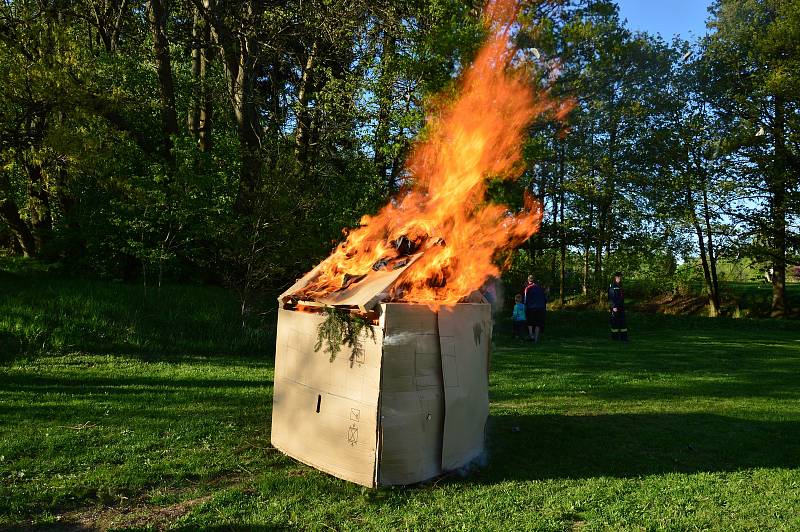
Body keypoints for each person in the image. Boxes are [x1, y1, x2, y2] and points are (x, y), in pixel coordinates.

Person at [523, 275, 547, 342]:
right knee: (537, 324)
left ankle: (531, 336)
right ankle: (536, 339)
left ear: (528, 280)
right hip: (541, 308)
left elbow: (525, 299)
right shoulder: (540, 288)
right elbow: (545, 298)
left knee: (529, 323)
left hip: (531, 308)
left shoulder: (528, 288)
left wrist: (525, 308)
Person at [608, 271, 628, 341]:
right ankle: (615, 338)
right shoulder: (612, 285)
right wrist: (613, 307)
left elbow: (622, 297)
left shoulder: (621, 285)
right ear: (615, 277)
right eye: (618, 277)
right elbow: (610, 297)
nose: (620, 278)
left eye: (620, 277)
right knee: (615, 322)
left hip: (621, 306)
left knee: (623, 322)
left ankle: (624, 338)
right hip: (615, 307)